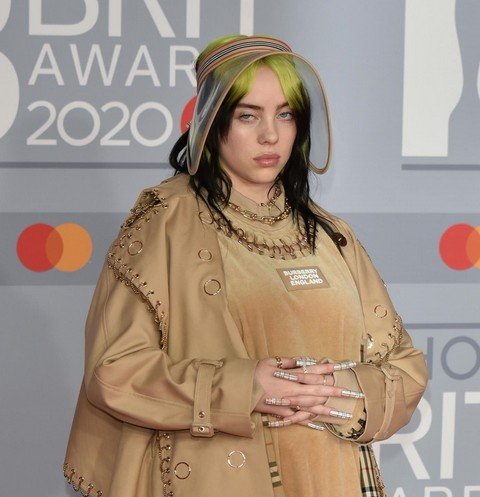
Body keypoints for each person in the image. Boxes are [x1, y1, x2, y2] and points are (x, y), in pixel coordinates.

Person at [63, 35, 428, 497]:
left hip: (334, 479)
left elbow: (404, 365)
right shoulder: (167, 221)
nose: (270, 135)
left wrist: (339, 389)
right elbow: (113, 371)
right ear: (213, 123)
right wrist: (244, 388)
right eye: (248, 115)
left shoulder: (331, 235)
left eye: (285, 115)